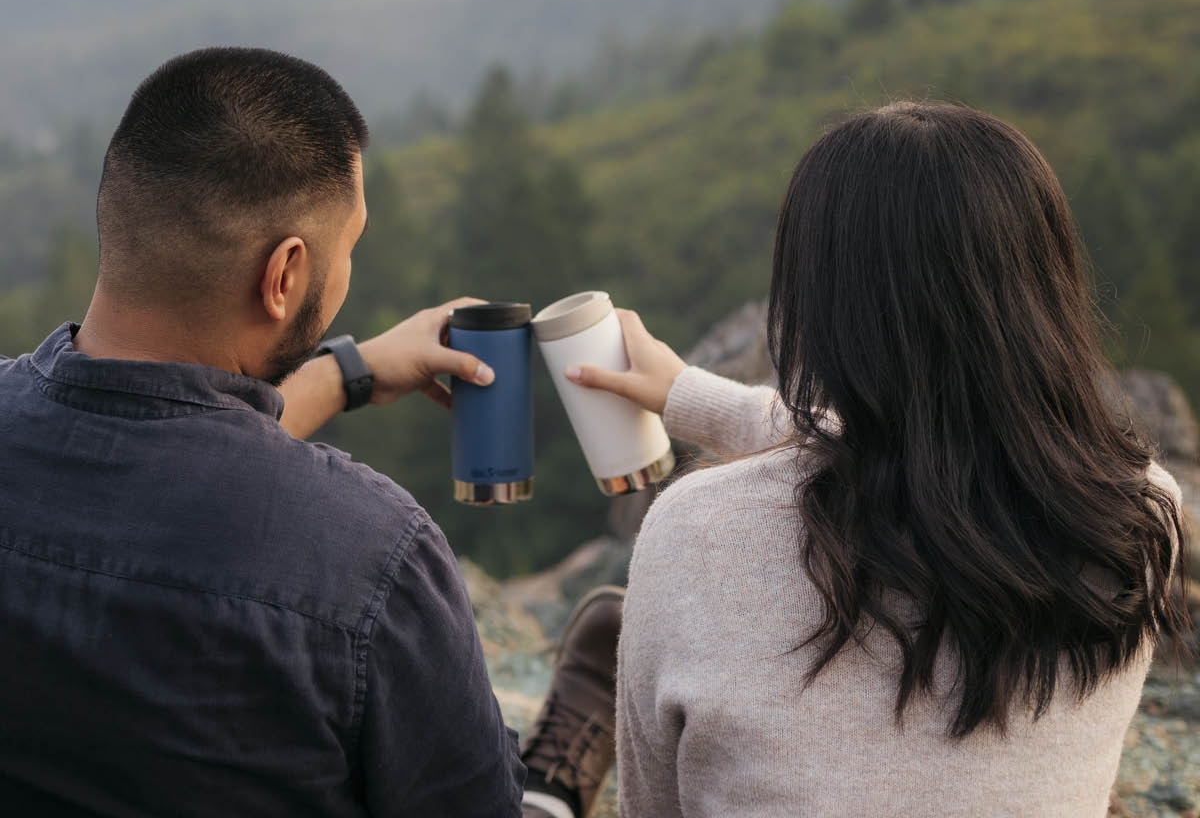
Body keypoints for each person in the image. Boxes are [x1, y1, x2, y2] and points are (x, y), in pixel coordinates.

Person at [0, 47, 618, 818]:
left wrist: (345, 374)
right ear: (285, 274)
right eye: (348, 246)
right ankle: (555, 794)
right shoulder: (370, 558)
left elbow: (157, 457)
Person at [568, 101, 1191, 817]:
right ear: (1044, 294)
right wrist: (691, 397)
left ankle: (548, 795)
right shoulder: (1136, 519)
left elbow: (654, 807)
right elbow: (938, 448)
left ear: (819, 306)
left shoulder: (694, 531)